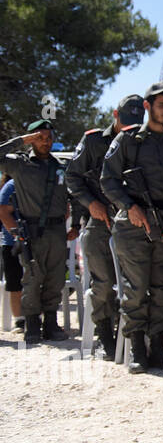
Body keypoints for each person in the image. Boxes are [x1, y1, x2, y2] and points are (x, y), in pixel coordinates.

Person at [100, 82, 163, 372]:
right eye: (162, 105)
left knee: (162, 286)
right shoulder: (128, 140)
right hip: (134, 223)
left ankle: (158, 344)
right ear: (148, 106)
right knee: (136, 288)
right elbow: (108, 181)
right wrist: (130, 207)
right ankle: (137, 346)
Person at [65, 94, 146, 357]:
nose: (129, 127)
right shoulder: (93, 141)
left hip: (131, 221)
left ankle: (134, 334)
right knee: (103, 282)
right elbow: (73, 177)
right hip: (100, 219)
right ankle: (104, 332)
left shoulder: (141, 140)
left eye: (136, 122)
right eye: (125, 121)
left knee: (135, 281)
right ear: (115, 115)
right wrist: (90, 204)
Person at [0, 120, 73, 345]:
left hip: (57, 230)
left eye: (49, 138)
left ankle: (51, 321)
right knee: (32, 276)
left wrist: (76, 225)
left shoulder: (60, 166)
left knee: (56, 276)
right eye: (40, 137)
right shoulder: (19, 165)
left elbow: (74, 194)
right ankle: (32, 322)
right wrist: (21, 140)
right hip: (31, 229)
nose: (45, 142)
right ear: (32, 139)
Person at [0, 176, 24, 324]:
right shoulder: (11, 186)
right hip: (12, 243)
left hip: (38, 241)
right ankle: (20, 320)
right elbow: (3, 211)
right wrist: (18, 235)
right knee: (15, 282)